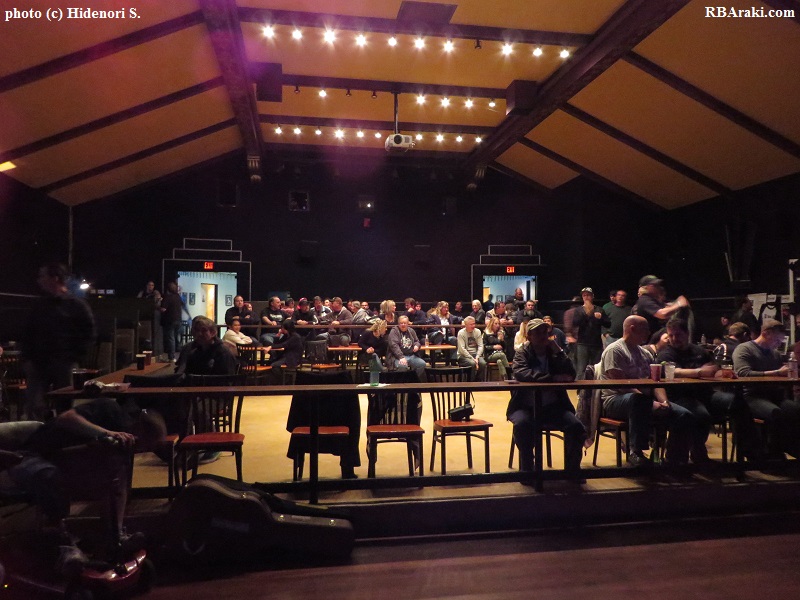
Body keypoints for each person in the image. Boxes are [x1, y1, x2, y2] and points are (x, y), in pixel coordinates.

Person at [5, 397, 165, 572]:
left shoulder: (124, 443)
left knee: (117, 475)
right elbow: (66, 418)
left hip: (61, 461)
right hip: (29, 457)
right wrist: (106, 433)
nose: (141, 450)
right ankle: (64, 544)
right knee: (49, 476)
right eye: (144, 444)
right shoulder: (109, 409)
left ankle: (115, 536)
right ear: (139, 429)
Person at [599, 315, 695, 467]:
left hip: (644, 400)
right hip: (615, 400)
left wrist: (664, 402)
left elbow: (656, 383)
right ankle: (635, 452)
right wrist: (650, 403)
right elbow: (620, 384)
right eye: (645, 329)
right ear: (632, 329)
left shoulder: (645, 353)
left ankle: (674, 460)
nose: (649, 332)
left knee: (684, 414)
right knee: (639, 401)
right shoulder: (615, 350)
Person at [508, 319, 586, 480]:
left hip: (554, 406)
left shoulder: (554, 352)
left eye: (544, 331)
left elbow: (571, 373)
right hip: (525, 406)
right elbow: (521, 373)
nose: (542, 335)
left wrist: (559, 352)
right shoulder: (523, 352)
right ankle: (528, 470)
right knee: (522, 425)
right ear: (529, 336)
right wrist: (552, 378)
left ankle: (572, 471)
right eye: (537, 332)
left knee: (576, 427)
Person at [656, 318, 738, 463]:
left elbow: (713, 369)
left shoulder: (700, 351)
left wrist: (722, 373)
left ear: (687, 334)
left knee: (736, 401)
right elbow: (673, 372)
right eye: (671, 335)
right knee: (701, 414)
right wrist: (699, 372)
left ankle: (749, 452)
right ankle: (698, 453)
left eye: (678, 335)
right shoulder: (666, 354)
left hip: (706, 393)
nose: (674, 339)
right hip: (680, 396)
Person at [20, 263, 96, 420]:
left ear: (55, 278)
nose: (39, 280)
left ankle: (62, 432)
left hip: (63, 362)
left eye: (43, 276)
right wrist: (27, 358)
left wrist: (74, 357)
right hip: (38, 362)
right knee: (34, 406)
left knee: (64, 406)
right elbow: (28, 333)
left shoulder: (75, 305)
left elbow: (89, 333)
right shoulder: (40, 305)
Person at [732, 319, 800, 458]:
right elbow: (743, 373)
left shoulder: (774, 354)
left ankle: (790, 448)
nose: (779, 343)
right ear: (765, 333)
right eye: (777, 339)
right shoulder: (744, 349)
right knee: (775, 412)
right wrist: (777, 373)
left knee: (795, 410)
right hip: (751, 395)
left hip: (773, 394)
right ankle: (771, 452)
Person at [570, 287, 609, 380]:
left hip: (596, 343)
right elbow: (575, 323)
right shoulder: (579, 310)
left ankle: (595, 388)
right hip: (582, 343)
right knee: (581, 369)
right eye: (584, 295)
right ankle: (580, 388)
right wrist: (586, 315)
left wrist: (601, 318)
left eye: (588, 295)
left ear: (592, 296)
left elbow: (608, 324)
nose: (586, 297)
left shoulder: (599, 309)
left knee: (596, 369)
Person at [387, 316, 426, 381]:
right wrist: (401, 357)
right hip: (397, 357)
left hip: (411, 355)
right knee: (402, 366)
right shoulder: (394, 331)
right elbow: (394, 346)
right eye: (401, 323)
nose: (403, 325)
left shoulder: (411, 330)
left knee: (422, 364)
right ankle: (401, 383)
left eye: (405, 323)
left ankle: (414, 380)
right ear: (398, 323)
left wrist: (417, 345)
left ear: (408, 323)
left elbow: (417, 341)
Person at [160, 281, 190, 362]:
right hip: (178, 320)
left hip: (170, 320)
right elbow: (183, 305)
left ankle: (171, 357)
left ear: (168, 289)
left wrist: (157, 307)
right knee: (176, 338)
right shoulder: (178, 297)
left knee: (171, 338)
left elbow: (163, 309)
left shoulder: (168, 297)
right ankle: (178, 355)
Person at [456, 316, 486, 381]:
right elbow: (462, 349)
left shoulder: (478, 331)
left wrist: (477, 357)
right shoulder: (461, 333)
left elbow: (481, 346)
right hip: (463, 356)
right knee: (472, 363)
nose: (473, 326)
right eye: (471, 324)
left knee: (483, 363)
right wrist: (473, 359)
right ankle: (470, 382)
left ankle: (478, 382)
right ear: (466, 325)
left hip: (476, 355)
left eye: (474, 324)